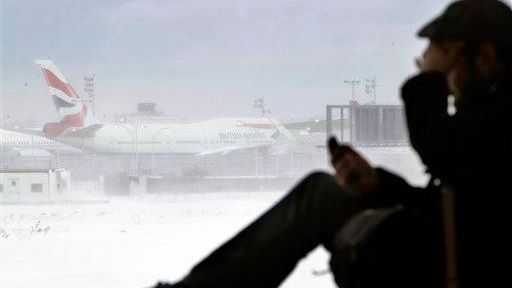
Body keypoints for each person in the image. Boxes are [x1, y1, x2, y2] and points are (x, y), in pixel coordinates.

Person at [152, 1, 512, 287]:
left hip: (432, 264)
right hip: (441, 253)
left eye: (440, 59)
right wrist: (380, 184)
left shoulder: (498, 115)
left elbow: (444, 154)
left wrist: (424, 83)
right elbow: (453, 200)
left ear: (484, 57)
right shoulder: (486, 119)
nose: (435, 75)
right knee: (320, 192)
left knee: (317, 198)